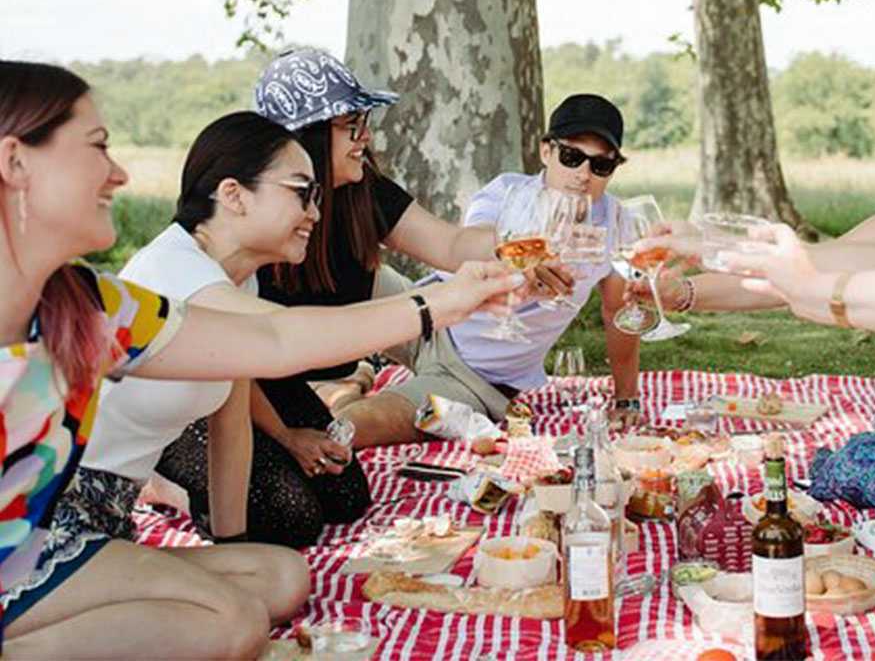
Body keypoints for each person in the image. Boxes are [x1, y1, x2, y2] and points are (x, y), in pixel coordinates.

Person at [0, 60, 519, 657]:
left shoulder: (93, 304)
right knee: (231, 621)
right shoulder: (164, 276)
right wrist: (439, 303)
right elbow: (279, 336)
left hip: (87, 531)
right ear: (16, 162)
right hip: (32, 550)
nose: (118, 173)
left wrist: (448, 300)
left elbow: (270, 351)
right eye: (98, 147)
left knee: (281, 577)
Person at [636, 96, 875, 512]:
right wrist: (687, 284)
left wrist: (812, 290)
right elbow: (805, 269)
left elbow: (824, 291)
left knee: (852, 468)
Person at [55, 111, 371, 553]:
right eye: (304, 193)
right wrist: (433, 306)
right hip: (64, 505)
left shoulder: (241, 277)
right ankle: (163, 491)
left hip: (112, 506)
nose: (316, 213)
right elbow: (282, 339)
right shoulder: (175, 269)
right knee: (284, 520)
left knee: (297, 549)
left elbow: (232, 417)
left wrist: (231, 548)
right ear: (233, 195)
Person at [339, 93, 642, 449]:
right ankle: (338, 376)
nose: (583, 174)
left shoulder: (618, 224)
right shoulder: (506, 193)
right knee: (339, 274)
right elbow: (473, 241)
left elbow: (619, 312)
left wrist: (626, 398)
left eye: (600, 165)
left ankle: (348, 385)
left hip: (472, 379)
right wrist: (520, 252)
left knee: (351, 427)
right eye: (572, 156)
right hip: (425, 314)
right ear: (546, 152)